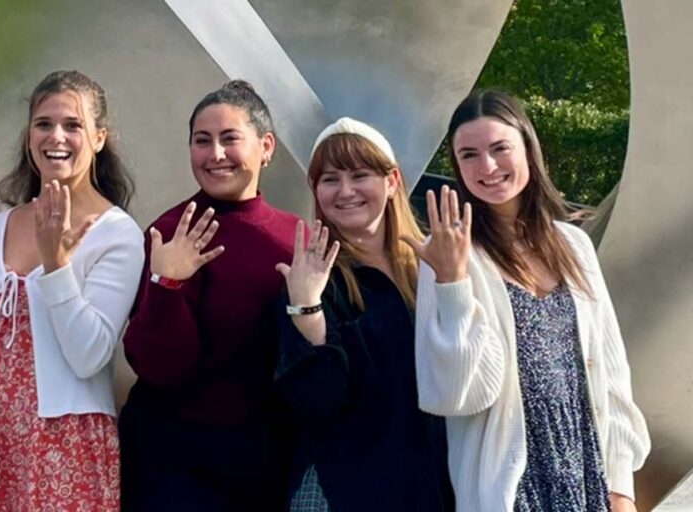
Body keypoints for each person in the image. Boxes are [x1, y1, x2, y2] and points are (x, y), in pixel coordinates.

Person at [408, 90, 650, 511]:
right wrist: (453, 283)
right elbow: (454, 394)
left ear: (528, 148)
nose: (487, 166)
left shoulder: (573, 245)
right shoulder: (449, 255)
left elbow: (612, 375)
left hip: (588, 475)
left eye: (500, 148)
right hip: (510, 487)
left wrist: (621, 485)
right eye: (469, 154)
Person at [0, 70, 144, 511]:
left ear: (98, 139)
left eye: (73, 125)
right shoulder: (0, 224)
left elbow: (90, 354)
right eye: (43, 123)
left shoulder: (118, 234)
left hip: (64, 443)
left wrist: (57, 266)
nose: (56, 136)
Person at [119, 79, 299, 511]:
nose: (215, 154)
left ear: (266, 146)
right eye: (202, 141)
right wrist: (168, 286)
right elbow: (157, 366)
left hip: (263, 462)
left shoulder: (297, 238)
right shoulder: (170, 232)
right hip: (171, 463)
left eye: (229, 139)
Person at [274, 118, 455, 511]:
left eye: (360, 175)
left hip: (434, 489)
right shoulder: (311, 280)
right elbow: (317, 403)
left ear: (392, 182)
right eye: (330, 179)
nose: (345, 191)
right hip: (343, 492)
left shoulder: (431, 268)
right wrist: (308, 313)